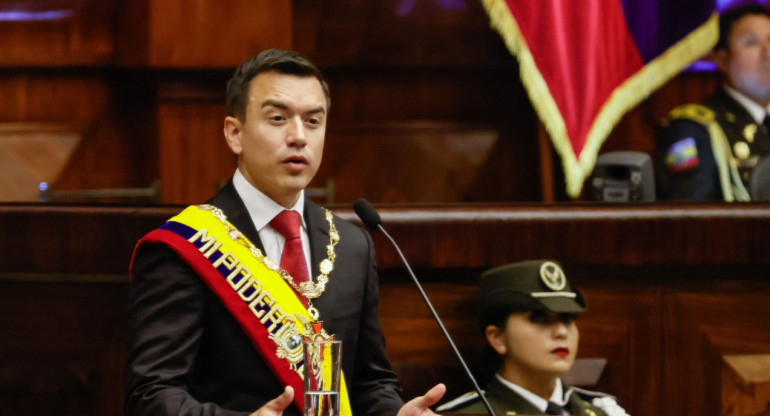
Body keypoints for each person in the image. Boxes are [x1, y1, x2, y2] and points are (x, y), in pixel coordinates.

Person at [124, 49, 445, 416]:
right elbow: (150, 396)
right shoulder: (184, 247)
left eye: (313, 121)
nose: (298, 136)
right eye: (277, 118)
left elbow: (369, 384)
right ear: (234, 134)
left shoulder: (353, 245)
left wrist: (396, 413)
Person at [436, 260, 628, 416]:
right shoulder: (467, 414)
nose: (561, 332)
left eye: (567, 319)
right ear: (497, 338)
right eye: (539, 319)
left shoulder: (603, 410)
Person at [655, 4, 770, 201]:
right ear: (722, 59)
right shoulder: (693, 130)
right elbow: (694, 222)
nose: (767, 53)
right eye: (751, 42)